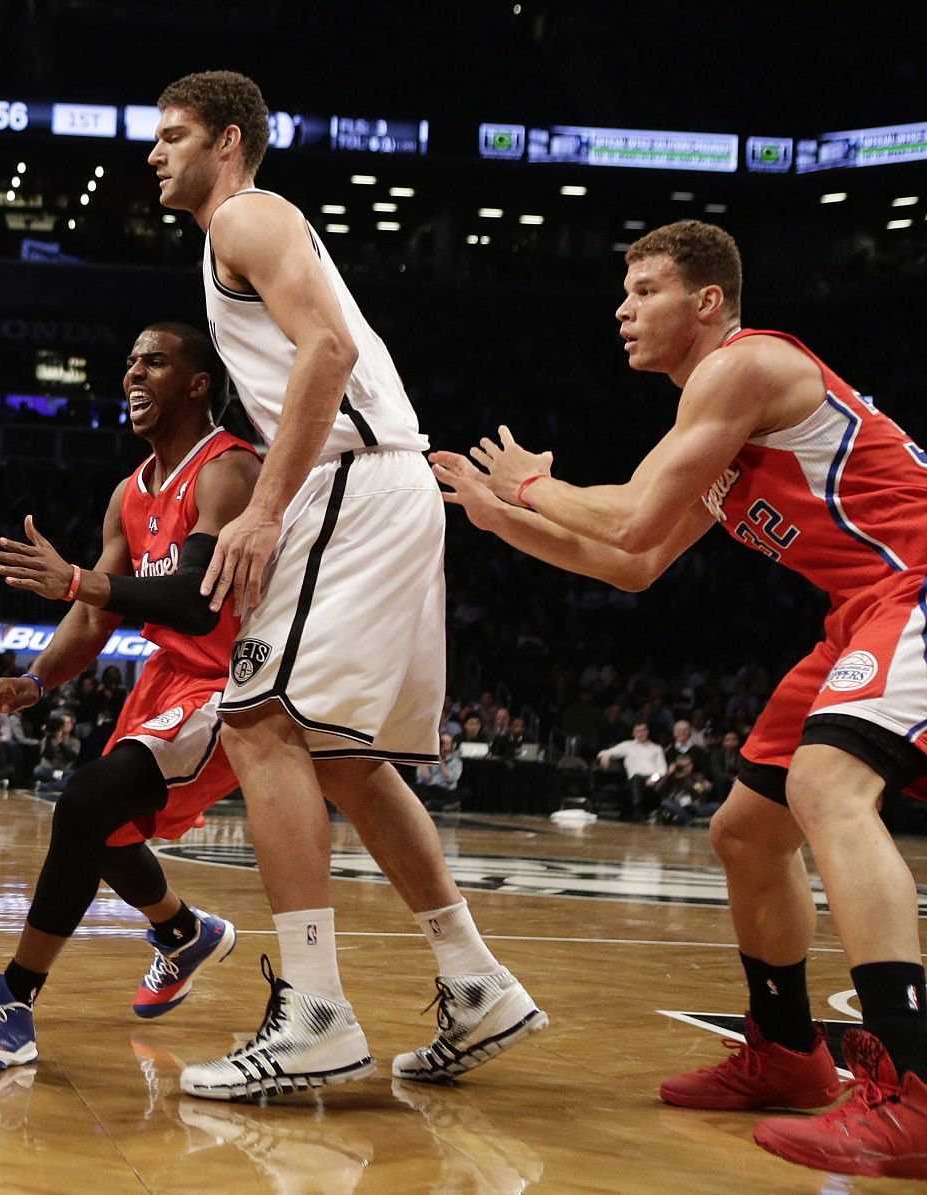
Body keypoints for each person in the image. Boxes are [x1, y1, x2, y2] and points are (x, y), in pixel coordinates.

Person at [431, 220, 927, 1178]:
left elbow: (631, 513)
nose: (622, 308)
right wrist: (503, 517)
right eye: (622, 291)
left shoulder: (745, 366)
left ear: (707, 303)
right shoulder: (718, 426)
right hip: (860, 610)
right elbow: (635, 561)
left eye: (645, 289)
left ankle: (913, 1091)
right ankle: (788, 1053)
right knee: (747, 829)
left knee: (827, 789)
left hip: (916, 581)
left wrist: (533, 482)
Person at [150, 70, 545, 1099]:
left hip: (350, 480)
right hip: (384, 479)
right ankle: (476, 981)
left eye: (175, 133)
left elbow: (327, 349)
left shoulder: (246, 214)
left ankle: (315, 1013)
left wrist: (268, 505)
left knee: (257, 723)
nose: (155, 151)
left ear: (227, 141)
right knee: (343, 758)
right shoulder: (232, 232)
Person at [0, 322, 258, 1070]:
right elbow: (95, 615)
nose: (133, 374)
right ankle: (183, 932)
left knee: (85, 802)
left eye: (155, 362)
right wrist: (36, 679)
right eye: (130, 361)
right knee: (103, 831)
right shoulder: (128, 493)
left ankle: (14, 1001)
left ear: (199, 382)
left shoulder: (228, 472)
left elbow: (199, 602)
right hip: (164, 680)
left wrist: (81, 578)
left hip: (230, 679)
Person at [597, 721, 668, 822]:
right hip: (634, 781)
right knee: (636, 778)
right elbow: (605, 752)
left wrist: (653, 779)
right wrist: (605, 755)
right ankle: (638, 811)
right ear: (633, 733)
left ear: (648, 732)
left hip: (653, 781)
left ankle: (642, 812)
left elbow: (663, 769)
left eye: (643, 730)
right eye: (638, 731)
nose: (641, 733)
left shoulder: (656, 748)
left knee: (658, 779)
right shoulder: (627, 746)